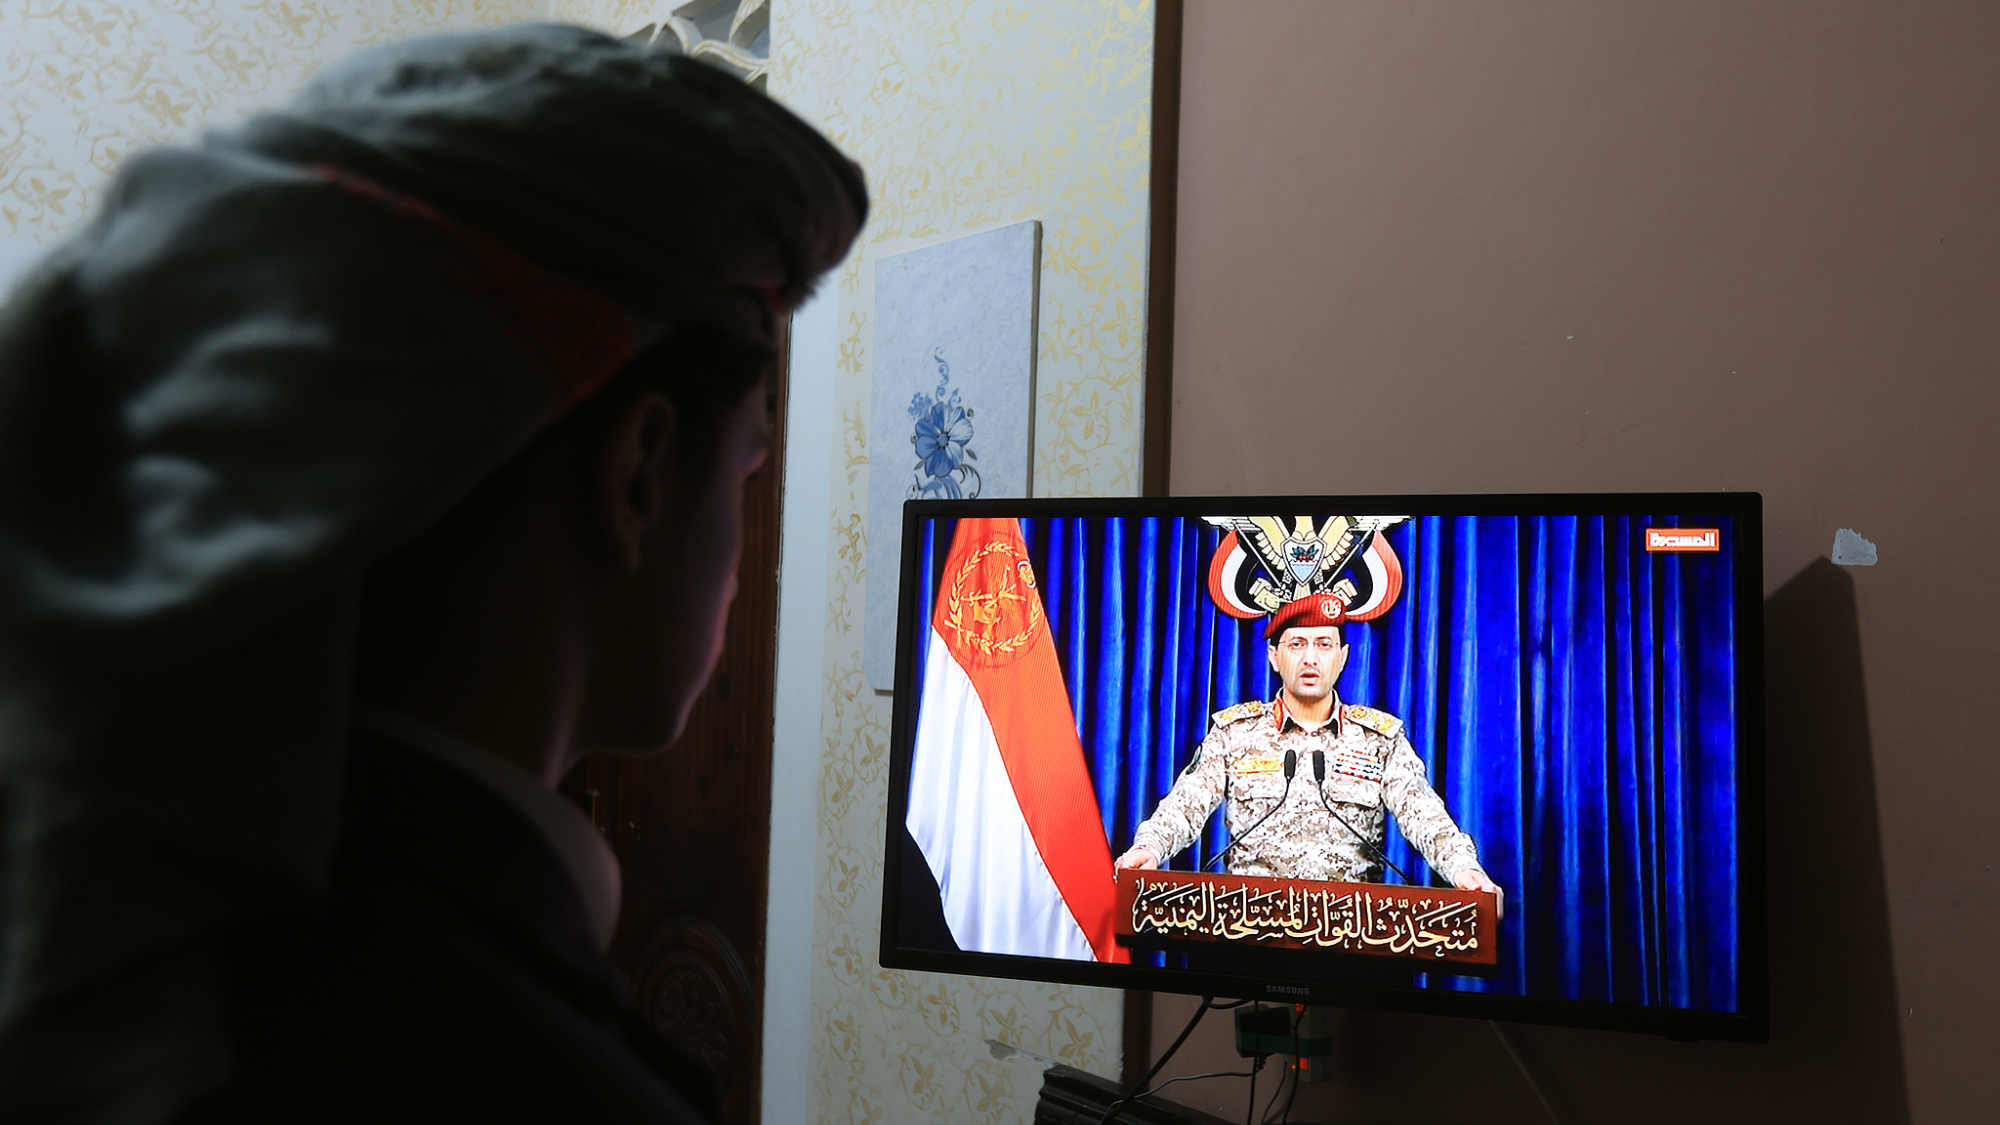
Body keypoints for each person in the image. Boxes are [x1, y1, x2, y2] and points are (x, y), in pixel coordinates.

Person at [0, 25, 865, 1125]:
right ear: (639, 473)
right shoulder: (508, 1078)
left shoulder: (97, 910)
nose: (738, 567)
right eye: (745, 471)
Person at [1113, 595, 1504, 912]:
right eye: (1297, 644)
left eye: (1324, 645)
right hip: (1248, 923)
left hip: (1355, 930)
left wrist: (1463, 869)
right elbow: (1185, 805)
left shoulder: (1379, 739)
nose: (1310, 659)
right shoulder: (1235, 733)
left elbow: (1423, 814)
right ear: (1274, 656)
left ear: (1343, 656)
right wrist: (1149, 848)